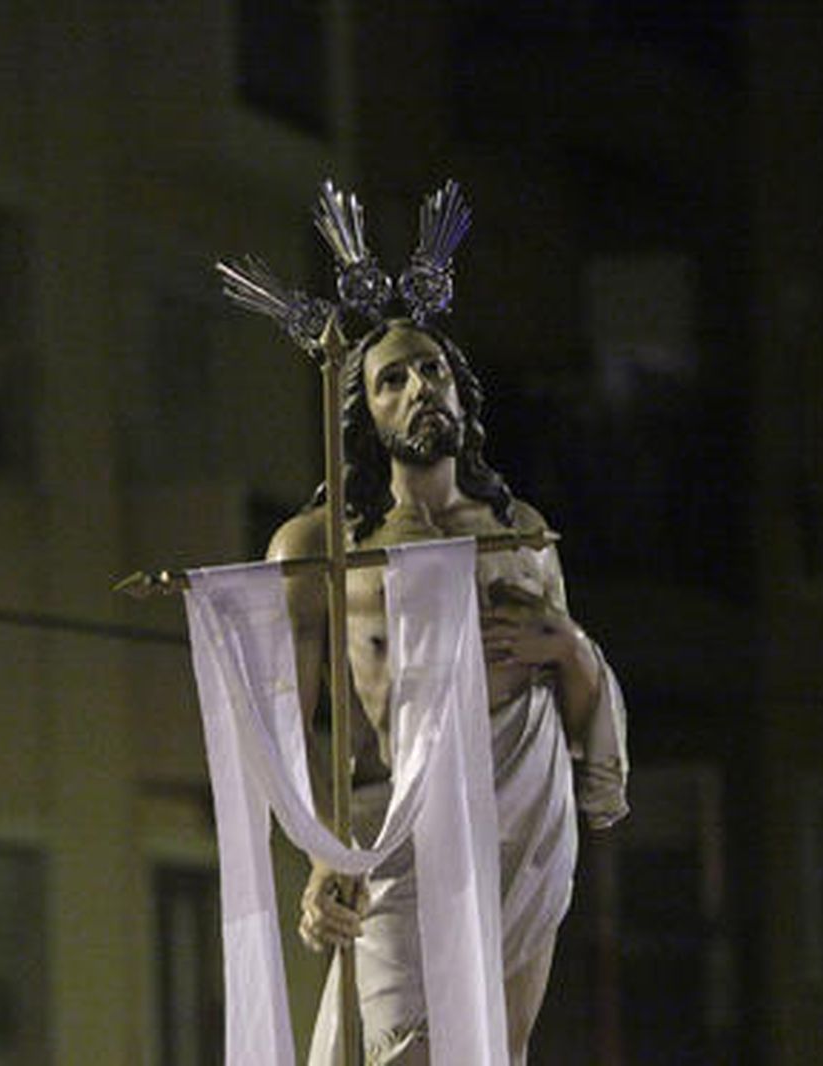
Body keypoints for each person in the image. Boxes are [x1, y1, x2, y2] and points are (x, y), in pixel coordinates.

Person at [266, 318, 628, 1065]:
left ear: (462, 391)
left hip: (521, 824)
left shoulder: (522, 535)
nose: (419, 389)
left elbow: (574, 704)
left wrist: (570, 647)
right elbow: (285, 724)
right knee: (403, 1048)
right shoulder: (323, 547)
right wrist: (325, 849)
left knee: (499, 1049)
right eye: (391, 380)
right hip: (397, 836)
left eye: (432, 370)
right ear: (365, 414)